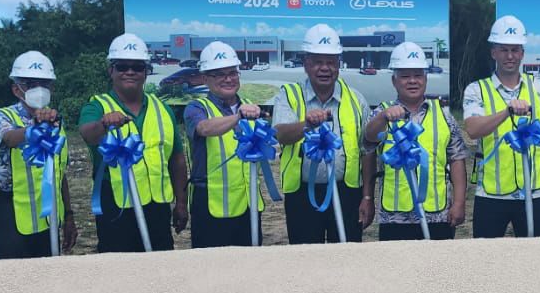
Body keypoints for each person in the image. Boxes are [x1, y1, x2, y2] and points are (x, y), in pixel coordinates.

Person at [78, 33, 188, 252]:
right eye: (122, 67)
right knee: (120, 273)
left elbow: (176, 159)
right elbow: (87, 134)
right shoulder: (97, 106)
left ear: (146, 71)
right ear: (111, 70)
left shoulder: (162, 108)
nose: (130, 72)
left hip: (157, 206)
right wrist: (103, 124)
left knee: (160, 270)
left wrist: (181, 203)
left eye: (137, 67)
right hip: (116, 206)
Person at [360, 42, 468, 240]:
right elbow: (368, 140)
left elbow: (457, 159)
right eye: (405, 76)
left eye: (418, 75)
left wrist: (459, 202)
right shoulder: (381, 113)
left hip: (437, 215)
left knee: (437, 270)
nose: (412, 81)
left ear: (425, 79)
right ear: (394, 81)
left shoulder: (444, 116)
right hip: (394, 217)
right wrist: (384, 117)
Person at [463, 15, 540, 238]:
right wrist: (507, 112)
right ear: (493, 52)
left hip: (532, 192)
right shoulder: (477, 90)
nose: (510, 56)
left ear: (522, 53)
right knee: (487, 261)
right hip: (491, 193)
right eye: (504, 50)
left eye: (515, 50)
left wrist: (533, 152)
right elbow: (474, 129)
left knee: (533, 261)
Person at [274, 23, 368, 243]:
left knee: (346, 261)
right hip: (302, 195)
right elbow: (280, 134)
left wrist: (366, 197)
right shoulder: (288, 95)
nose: (324, 68)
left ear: (338, 65)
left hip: (348, 194)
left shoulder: (356, 99)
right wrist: (305, 124)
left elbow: (367, 150)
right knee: (305, 261)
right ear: (306, 65)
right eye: (317, 62)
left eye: (330, 62)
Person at [0, 50, 78, 258]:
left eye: (45, 84)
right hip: (11, 212)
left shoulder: (55, 121)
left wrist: (69, 216)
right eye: (31, 84)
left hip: (47, 213)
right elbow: (9, 138)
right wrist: (34, 128)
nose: (39, 90)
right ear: (16, 89)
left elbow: (59, 172)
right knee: (14, 280)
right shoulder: (1, 116)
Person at [183, 41, 266, 247]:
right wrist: (238, 117)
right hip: (211, 204)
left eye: (232, 73)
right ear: (205, 78)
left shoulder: (249, 106)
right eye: (219, 74)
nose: (228, 79)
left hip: (248, 202)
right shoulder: (196, 107)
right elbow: (204, 128)